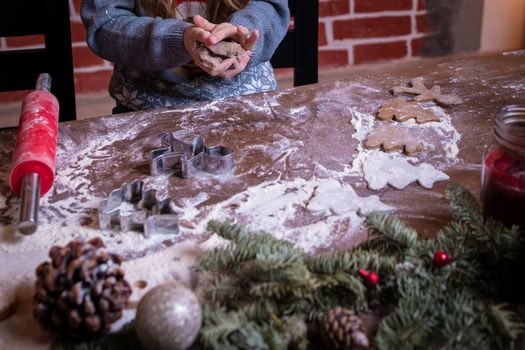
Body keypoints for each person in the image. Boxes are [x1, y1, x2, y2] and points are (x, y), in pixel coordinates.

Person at [81, 0, 290, 113]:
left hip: (246, 99)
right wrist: (179, 39)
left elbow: (270, 6)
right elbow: (105, 25)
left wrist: (243, 31)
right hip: (149, 105)